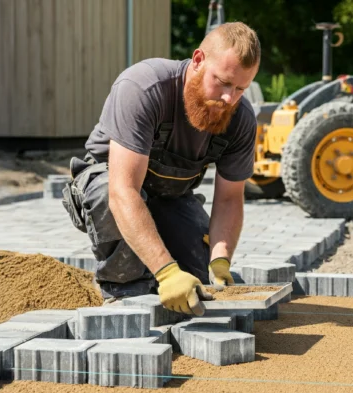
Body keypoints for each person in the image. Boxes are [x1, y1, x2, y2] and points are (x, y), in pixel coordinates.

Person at [61, 22, 261, 316]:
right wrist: (167, 272)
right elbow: (122, 190)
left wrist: (220, 260)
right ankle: (125, 292)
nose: (229, 98)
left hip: (170, 197)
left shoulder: (240, 118)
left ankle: (163, 276)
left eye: (241, 89)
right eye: (223, 82)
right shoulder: (144, 87)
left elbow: (230, 198)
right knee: (108, 193)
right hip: (111, 188)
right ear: (197, 61)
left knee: (198, 282)